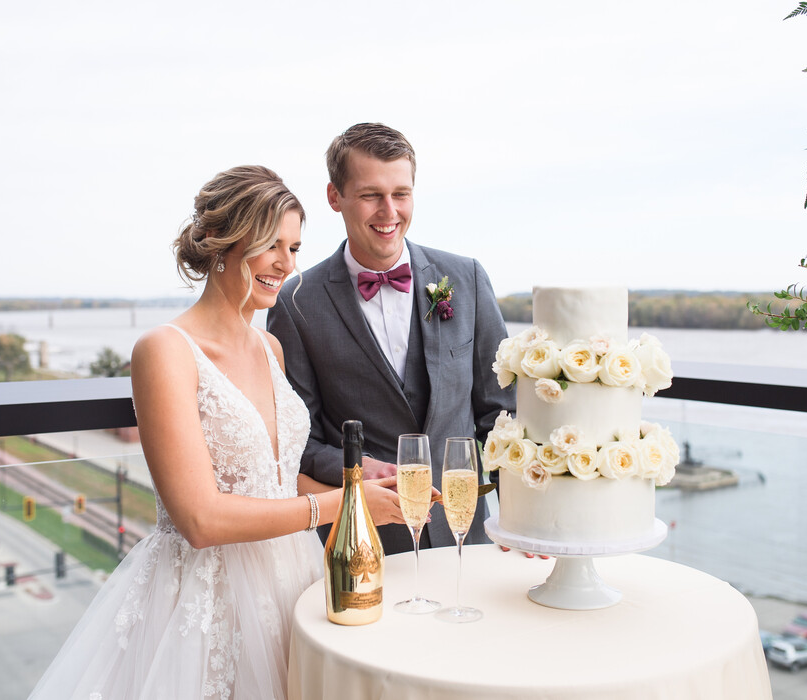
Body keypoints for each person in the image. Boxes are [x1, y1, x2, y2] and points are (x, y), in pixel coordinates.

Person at [28, 165, 404, 700]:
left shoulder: (271, 348)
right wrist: (341, 506)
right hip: (204, 599)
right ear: (224, 245)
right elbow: (199, 519)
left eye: (294, 248)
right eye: (270, 244)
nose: (285, 264)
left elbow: (275, 478)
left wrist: (367, 503)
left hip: (294, 582)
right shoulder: (164, 350)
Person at [267, 124, 515, 556]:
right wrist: (356, 468)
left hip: (467, 538)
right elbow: (297, 443)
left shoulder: (466, 278)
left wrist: (522, 520)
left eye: (401, 194)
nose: (389, 211)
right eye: (370, 195)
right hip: (365, 545)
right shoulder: (296, 303)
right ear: (334, 197)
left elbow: (504, 417)